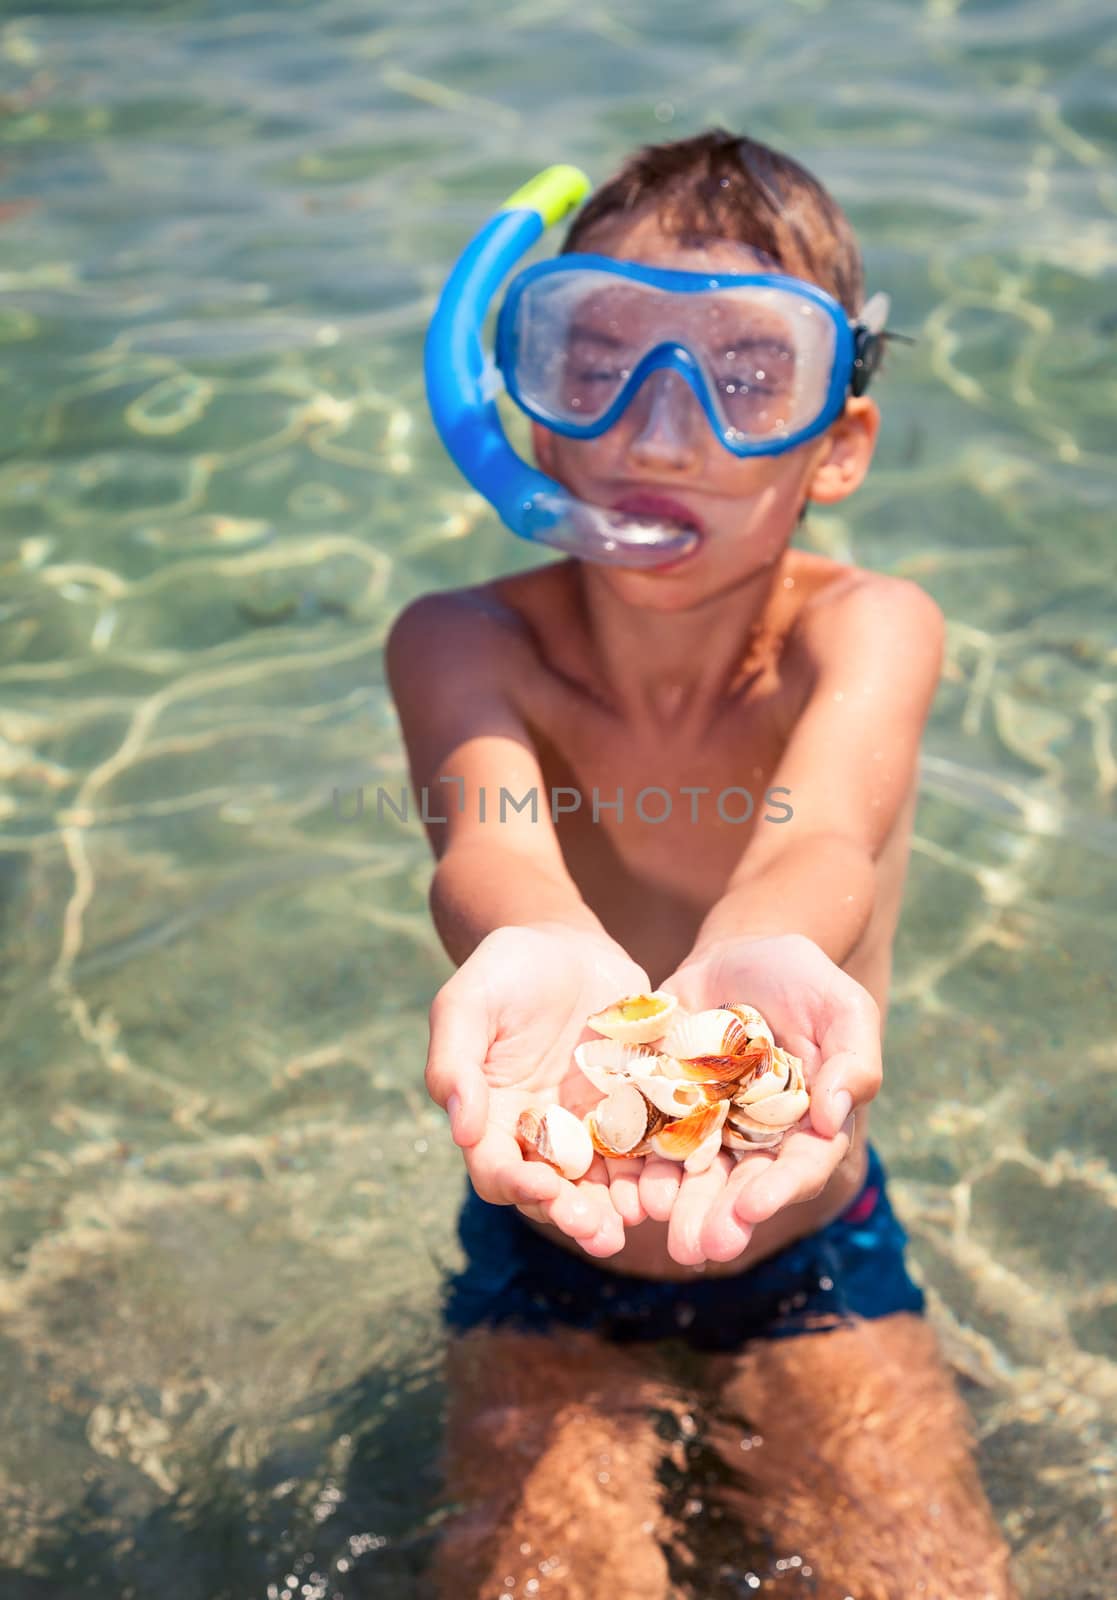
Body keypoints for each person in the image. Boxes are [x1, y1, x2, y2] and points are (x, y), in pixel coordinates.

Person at [388, 129, 1017, 1600]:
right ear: (523, 415)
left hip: (806, 1232)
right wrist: (536, 948)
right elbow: (494, 858)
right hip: (551, 1227)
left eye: (745, 377)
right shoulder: (466, 643)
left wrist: (763, 951)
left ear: (839, 442)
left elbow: (820, 843)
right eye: (594, 357)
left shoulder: (863, 631)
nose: (658, 434)